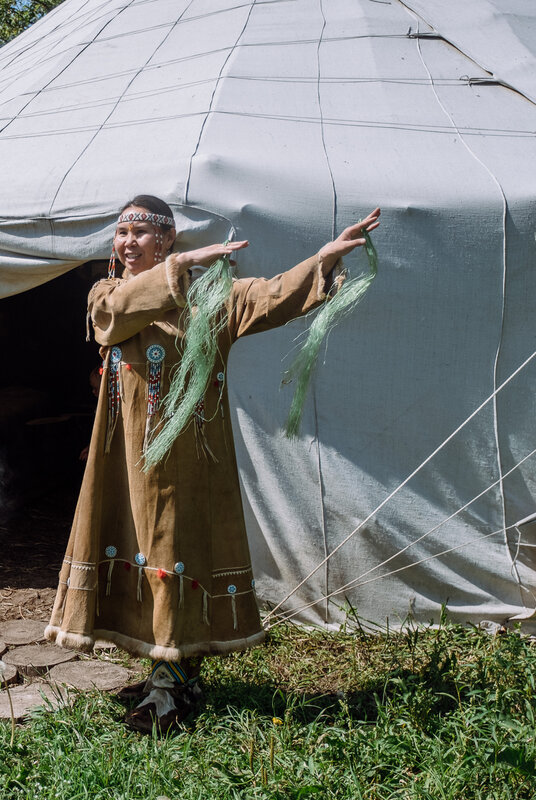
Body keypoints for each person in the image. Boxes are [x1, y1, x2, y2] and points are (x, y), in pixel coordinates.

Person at [45, 195, 380, 733]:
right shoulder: (105, 293)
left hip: (186, 464)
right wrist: (174, 272)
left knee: (172, 552)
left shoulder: (211, 303)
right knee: (132, 546)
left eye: (141, 233)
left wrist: (324, 260)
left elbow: (271, 296)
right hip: (121, 459)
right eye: (121, 233)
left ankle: (173, 680)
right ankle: (164, 669)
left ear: (167, 240)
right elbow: (112, 319)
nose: (127, 242)